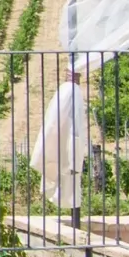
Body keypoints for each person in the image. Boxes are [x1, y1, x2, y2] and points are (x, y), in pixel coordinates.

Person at [30, 58, 90, 224]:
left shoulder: (68, 94)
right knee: (69, 162)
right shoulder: (69, 95)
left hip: (69, 148)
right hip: (69, 149)